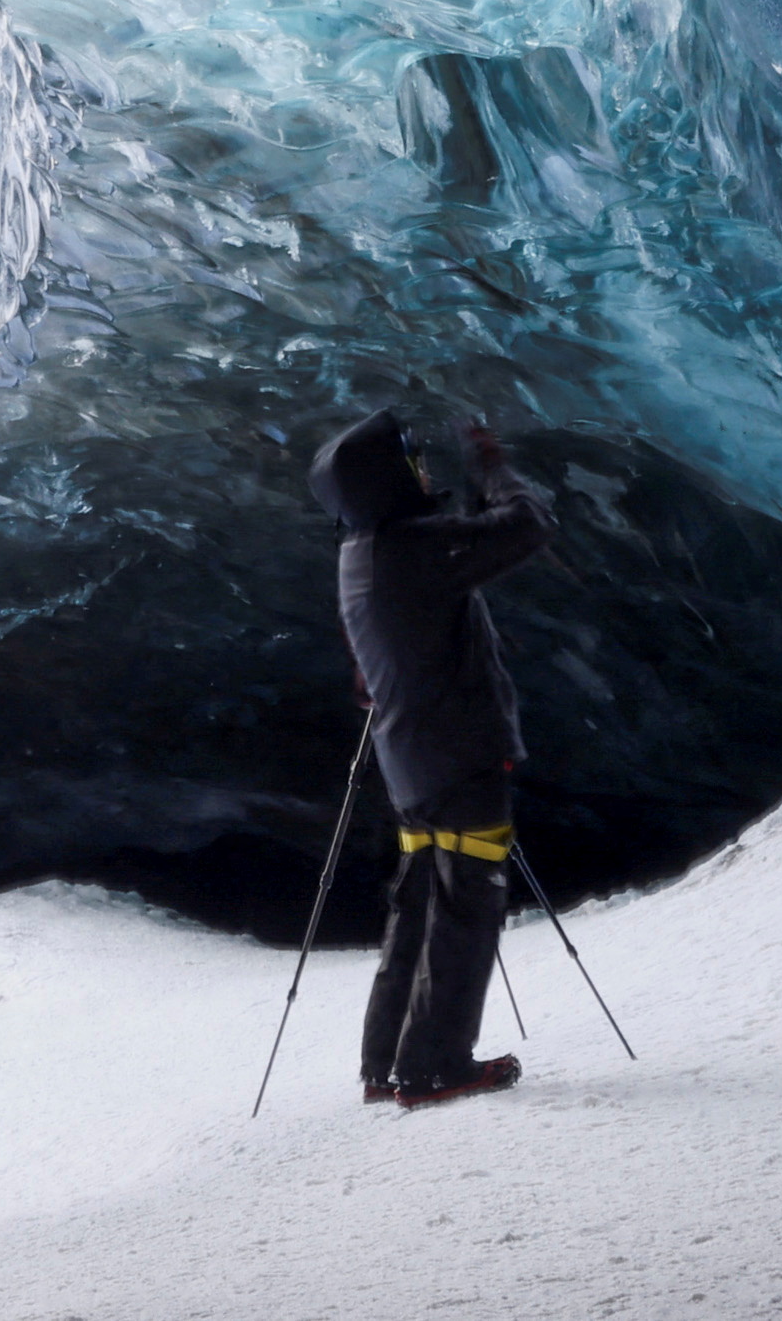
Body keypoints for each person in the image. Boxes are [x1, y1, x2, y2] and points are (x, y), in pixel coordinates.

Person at [307, 406, 552, 1109]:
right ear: (386, 477)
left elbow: (455, 565)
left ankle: (386, 1066)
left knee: (419, 904)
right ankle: (436, 1067)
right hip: (458, 755)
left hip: (411, 763)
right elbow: (528, 525)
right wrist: (491, 465)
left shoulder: (362, 550)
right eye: (411, 459)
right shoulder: (411, 545)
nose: (422, 469)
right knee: (468, 903)